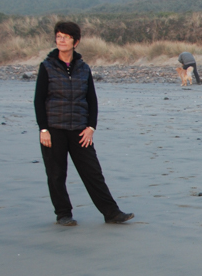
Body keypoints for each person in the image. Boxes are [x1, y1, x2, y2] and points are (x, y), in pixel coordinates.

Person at [34, 21, 134, 226]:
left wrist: (90, 127)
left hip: (80, 130)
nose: (61, 40)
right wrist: (43, 129)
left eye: (66, 37)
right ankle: (63, 214)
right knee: (56, 173)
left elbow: (92, 101)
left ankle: (111, 213)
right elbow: (39, 100)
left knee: (92, 172)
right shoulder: (47, 67)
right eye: (59, 36)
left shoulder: (83, 69)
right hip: (54, 129)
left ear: (75, 42)